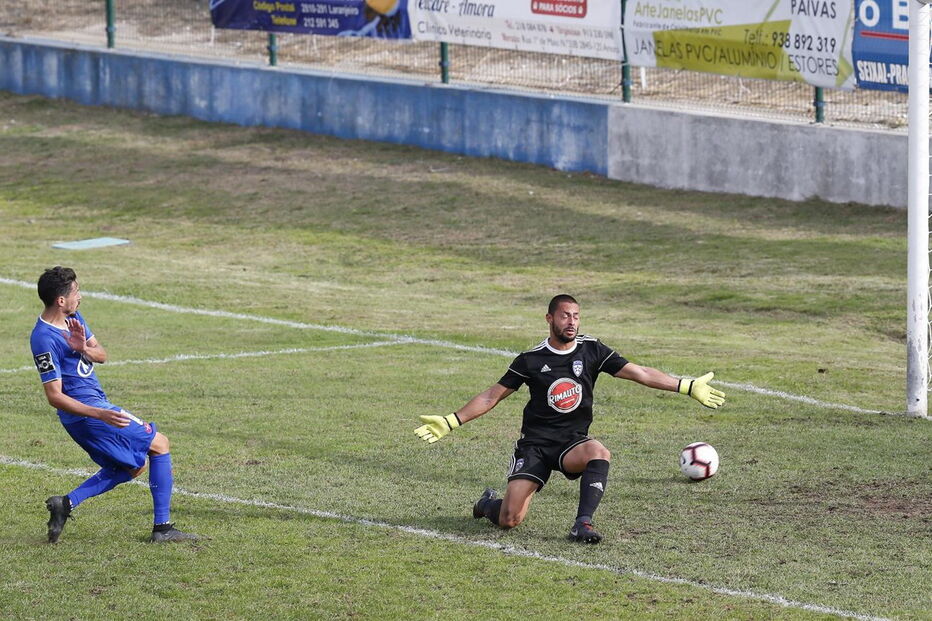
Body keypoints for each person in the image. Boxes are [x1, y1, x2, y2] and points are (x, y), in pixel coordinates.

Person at [414, 294, 725, 544]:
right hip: (535, 447)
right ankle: (486, 505)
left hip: (571, 444)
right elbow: (492, 395)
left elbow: (639, 372)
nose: (571, 321)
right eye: (565, 315)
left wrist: (685, 385)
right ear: (550, 318)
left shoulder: (592, 350)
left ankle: (582, 524)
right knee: (510, 520)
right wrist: (451, 420)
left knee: (599, 452)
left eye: (576, 315)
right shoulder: (531, 360)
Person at [30, 266, 197, 543]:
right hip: (88, 414)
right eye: (76, 292)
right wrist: (101, 414)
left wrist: (82, 347)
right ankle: (163, 529)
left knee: (132, 467)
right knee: (160, 444)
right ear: (61, 300)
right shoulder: (43, 338)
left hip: (98, 407)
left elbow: (102, 355)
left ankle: (66, 504)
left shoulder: (74, 319)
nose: (80, 297)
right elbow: (54, 397)